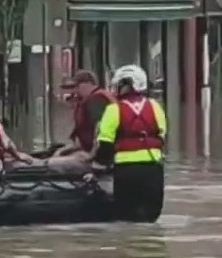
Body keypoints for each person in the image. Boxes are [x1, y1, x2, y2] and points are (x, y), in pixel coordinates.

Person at [91, 64, 166, 223]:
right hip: (153, 170)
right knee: (150, 217)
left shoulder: (113, 110)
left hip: (126, 171)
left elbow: (105, 144)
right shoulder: (155, 106)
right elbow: (162, 135)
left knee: (127, 217)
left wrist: (96, 169)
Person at [53, 70, 115, 161]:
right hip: (90, 151)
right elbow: (80, 141)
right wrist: (62, 151)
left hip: (101, 156)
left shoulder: (97, 100)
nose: (75, 91)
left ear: (88, 84)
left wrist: (92, 155)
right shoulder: (88, 100)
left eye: (77, 86)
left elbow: (100, 130)